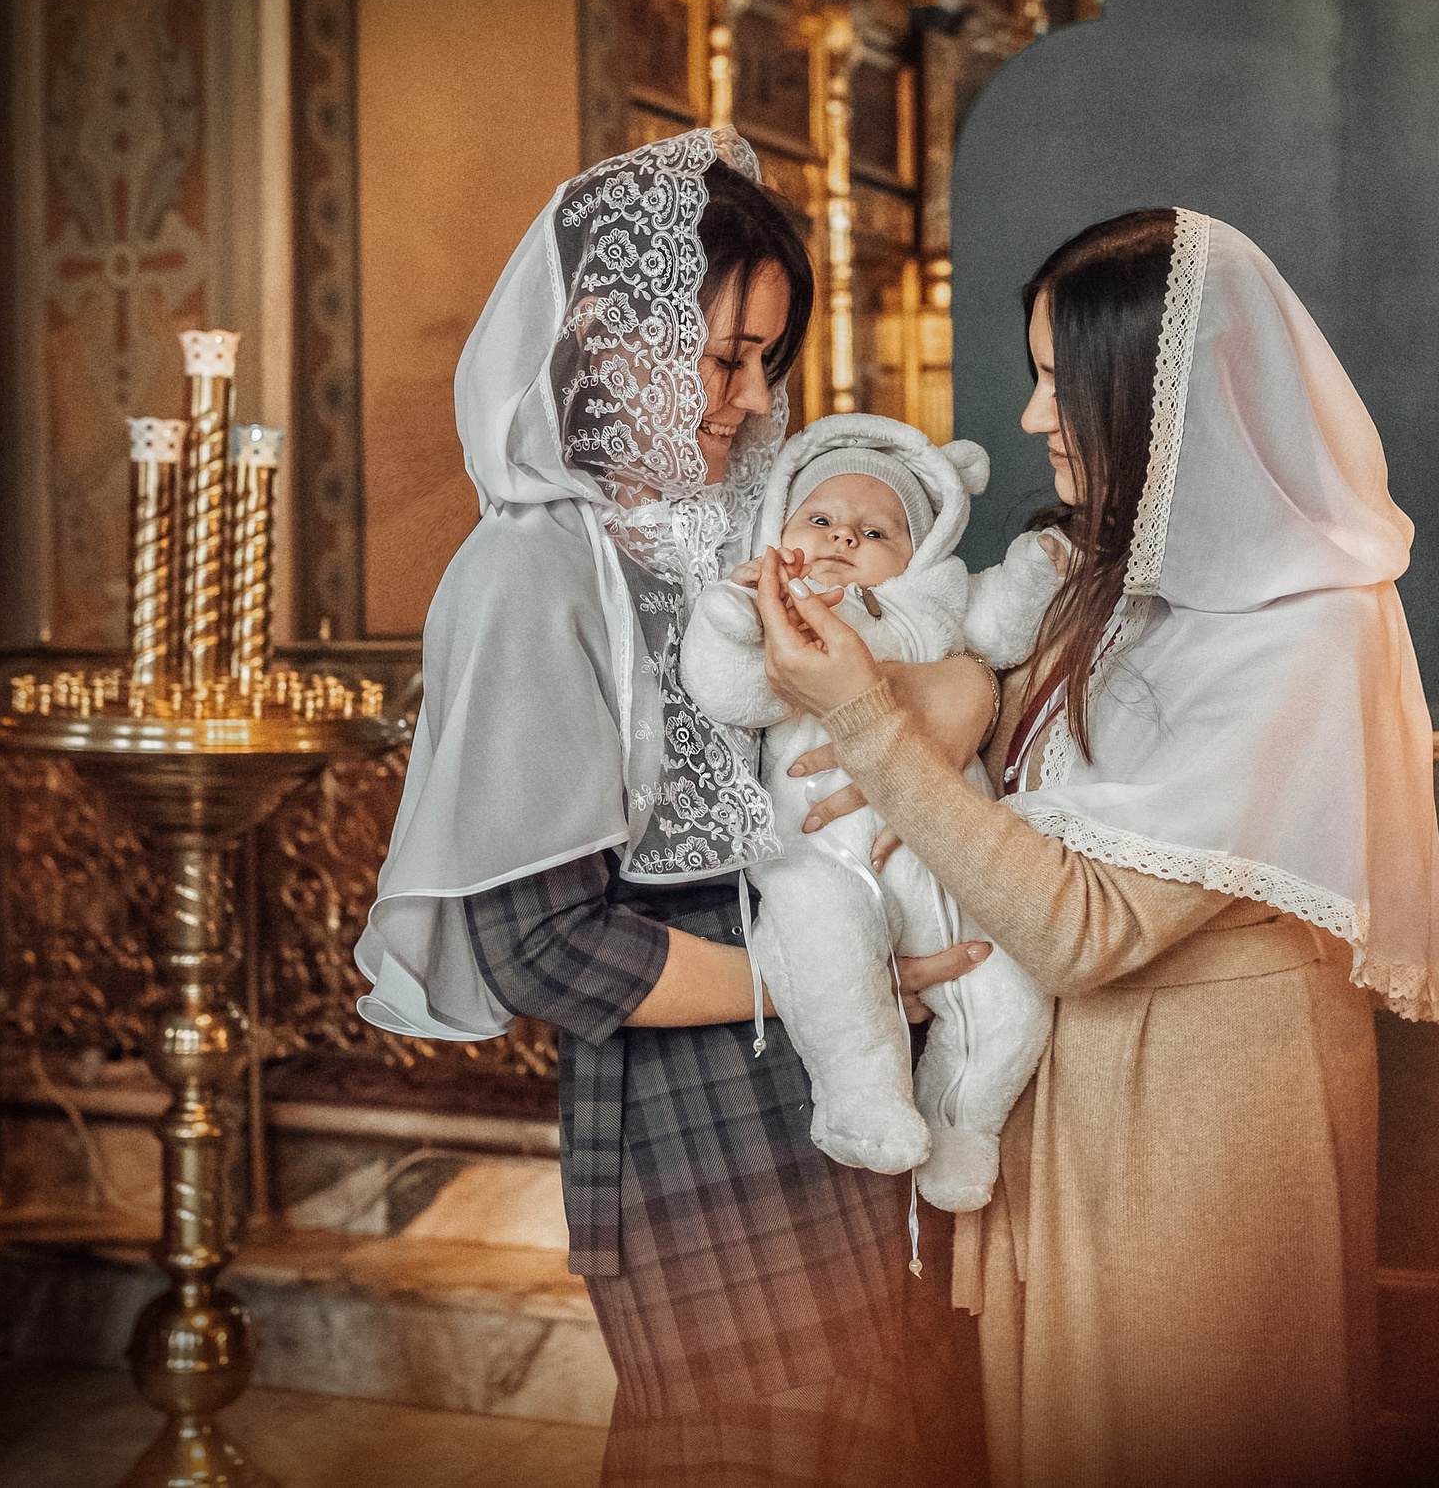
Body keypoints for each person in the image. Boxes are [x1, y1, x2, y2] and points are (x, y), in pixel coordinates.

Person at [753, 207, 1439, 1488]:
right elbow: (1001, 738)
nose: (1031, 418)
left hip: (1200, 1122)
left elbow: (1083, 928)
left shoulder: (1310, 627)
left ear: (1162, 391)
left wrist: (864, 715)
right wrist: (949, 694)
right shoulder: (1108, 575)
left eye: (1057, 383)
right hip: (1074, 1103)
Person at [353, 128, 996, 1486]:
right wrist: (846, 975)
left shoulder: (718, 538)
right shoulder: (527, 574)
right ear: (607, 331)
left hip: (831, 1091)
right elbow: (546, 943)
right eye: (723, 357)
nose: (756, 399)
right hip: (697, 1130)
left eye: (770, 358)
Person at [680, 415, 1058, 1212]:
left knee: (1012, 993)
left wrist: (1032, 572)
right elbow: (730, 691)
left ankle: (963, 1125)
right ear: (781, 527)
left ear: (916, 554)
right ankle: (859, 1098)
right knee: (828, 948)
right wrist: (726, 621)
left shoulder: (932, 605)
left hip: (944, 863)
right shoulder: (771, 607)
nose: (842, 536)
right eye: (819, 518)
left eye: (876, 529)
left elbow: (999, 624)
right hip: (820, 855)